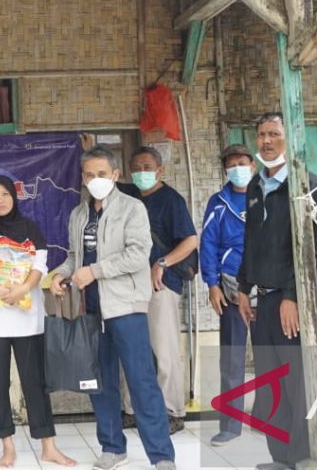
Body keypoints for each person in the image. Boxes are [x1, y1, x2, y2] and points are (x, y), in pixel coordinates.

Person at [50, 146, 177, 470]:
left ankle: (161, 455)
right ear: (82, 178)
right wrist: (62, 275)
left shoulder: (132, 209)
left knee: (141, 380)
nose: (95, 180)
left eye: (102, 174)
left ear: (116, 175)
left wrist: (95, 271)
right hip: (91, 310)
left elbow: (138, 254)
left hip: (126, 309)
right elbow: (74, 257)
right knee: (100, 382)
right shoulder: (79, 215)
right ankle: (112, 446)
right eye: (89, 175)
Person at [236, 114, 317, 470]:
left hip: (296, 301)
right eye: (261, 134)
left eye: (274, 134)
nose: (266, 141)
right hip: (264, 300)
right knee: (272, 384)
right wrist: (244, 288)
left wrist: (294, 296)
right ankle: (281, 460)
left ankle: (308, 458)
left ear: (288, 139)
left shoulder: (308, 184)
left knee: (300, 384)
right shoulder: (255, 187)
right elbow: (251, 243)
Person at [0, 176, 77, 468]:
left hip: (27, 320)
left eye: (5, 194)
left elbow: (40, 264)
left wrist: (23, 290)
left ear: (14, 197)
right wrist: (0, 291)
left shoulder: (30, 228)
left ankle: (48, 446)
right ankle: (8, 447)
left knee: (36, 384)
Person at [126, 145, 197, 431]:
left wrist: (163, 263)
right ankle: (132, 409)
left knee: (164, 350)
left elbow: (191, 240)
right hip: (129, 285)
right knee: (132, 349)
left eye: (147, 167)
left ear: (160, 170)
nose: (142, 173)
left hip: (161, 285)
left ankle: (172, 412)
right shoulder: (128, 196)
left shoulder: (171, 200)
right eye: (137, 168)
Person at [199, 143, 254, 447]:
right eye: (231, 164)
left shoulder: (267, 196)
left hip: (266, 287)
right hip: (232, 288)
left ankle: (275, 418)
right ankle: (231, 426)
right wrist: (212, 284)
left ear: (252, 166)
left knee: (274, 355)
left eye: (241, 163)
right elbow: (208, 244)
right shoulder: (218, 203)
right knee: (232, 359)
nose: (237, 168)